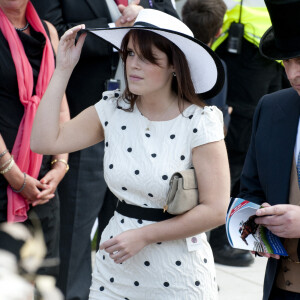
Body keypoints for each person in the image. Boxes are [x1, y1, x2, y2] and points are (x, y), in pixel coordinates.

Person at [31, 9, 230, 299]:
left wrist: (145, 236)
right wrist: (63, 70)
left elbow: (216, 209)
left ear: (175, 65)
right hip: (115, 267)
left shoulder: (201, 120)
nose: (133, 66)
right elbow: (44, 141)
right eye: (130, 54)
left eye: (148, 59)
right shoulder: (112, 109)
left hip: (178, 274)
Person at [208, 0, 286, 267]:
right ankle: (221, 241)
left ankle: (226, 238)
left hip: (270, 48)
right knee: (235, 162)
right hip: (248, 49)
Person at [0, 0, 69, 278]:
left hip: (42, 186)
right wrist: (16, 178)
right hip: (7, 177)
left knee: (40, 278)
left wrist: (60, 164)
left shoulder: (49, 31)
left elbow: (59, 99)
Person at [237, 0, 300, 298]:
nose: (295, 73)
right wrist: (259, 230)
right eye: (288, 61)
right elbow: (250, 189)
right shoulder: (272, 107)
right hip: (282, 287)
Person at [181, 0, 230, 133]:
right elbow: (216, 119)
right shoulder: (217, 66)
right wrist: (226, 114)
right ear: (218, 32)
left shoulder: (172, 58)